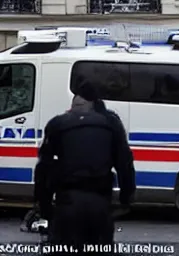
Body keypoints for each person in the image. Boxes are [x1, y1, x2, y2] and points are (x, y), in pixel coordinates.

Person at [34, 81, 136, 250]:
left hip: (67, 203)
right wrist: (126, 199)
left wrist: (43, 206)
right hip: (100, 203)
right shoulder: (111, 123)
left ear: (73, 105)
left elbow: (44, 168)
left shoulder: (57, 124)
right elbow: (125, 163)